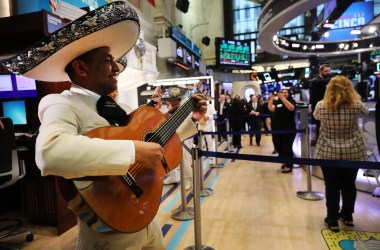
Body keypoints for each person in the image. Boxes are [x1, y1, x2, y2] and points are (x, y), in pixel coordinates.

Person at [2, 2, 207, 249]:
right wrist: (133, 151)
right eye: (108, 61)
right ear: (80, 68)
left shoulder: (118, 109)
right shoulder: (60, 103)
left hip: (145, 217)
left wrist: (191, 117)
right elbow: (49, 153)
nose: (116, 70)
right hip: (108, 234)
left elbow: (158, 140)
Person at [313, 75, 368, 233]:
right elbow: (365, 114)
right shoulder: (357, 104)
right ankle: (348, 216)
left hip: (328, 152)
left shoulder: (321, 105)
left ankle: (332, 219)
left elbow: (316, 117)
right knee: (349, 185)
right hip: (352, 151)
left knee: (331, 186)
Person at [268, 89, 296, 173]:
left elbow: (291, 108)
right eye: (282, 92)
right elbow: (271, 108)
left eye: (285, 92)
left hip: (288, 128)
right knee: (280, 147)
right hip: (278, 129)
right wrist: (271, 100)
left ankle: (289, 165)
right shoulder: (278, 102)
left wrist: (283, 99)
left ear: (289, 94)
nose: (284, 94)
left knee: (287, 147)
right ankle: (285, 162)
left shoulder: (291, 101)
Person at [309, 64, 331, 144]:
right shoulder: (315, 81)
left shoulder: (329, 80)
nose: (328, 73)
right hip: (318, 107)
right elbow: (312, 96)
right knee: (319, 125)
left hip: (329, 106)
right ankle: (319, 141)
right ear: (320, 71)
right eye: (326, 71)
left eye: (329, 71)